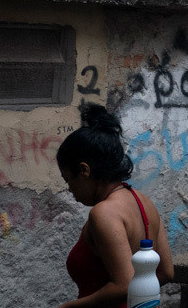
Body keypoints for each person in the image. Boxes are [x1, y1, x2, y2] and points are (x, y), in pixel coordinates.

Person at [58, 103, 174, 308]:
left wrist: (68, 307)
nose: (70, 190)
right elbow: (166, 272)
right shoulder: (143, 201)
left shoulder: (103, 213)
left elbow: (125, 284)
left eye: (69, 180)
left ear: (84, 171)